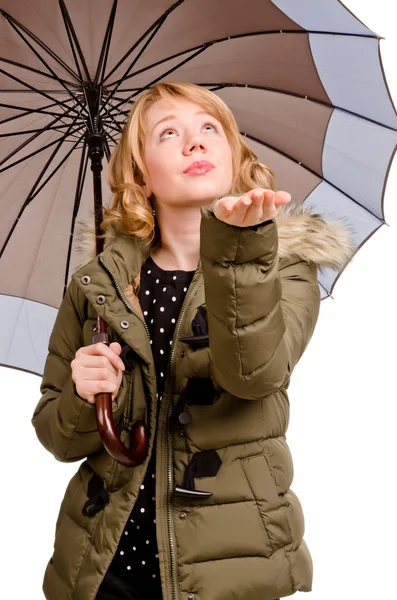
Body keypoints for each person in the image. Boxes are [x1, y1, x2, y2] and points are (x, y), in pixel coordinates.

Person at [32, 81, 354, 600]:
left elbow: (254, 376)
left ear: (234, 152)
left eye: (210, 128)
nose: (195, 143)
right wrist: (84, 395)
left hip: (231, 567)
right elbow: (58, 438)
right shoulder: (97, 286)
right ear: (141, 172)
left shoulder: (282, 266)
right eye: (169, 133)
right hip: (103, 565)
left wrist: (241, 253)